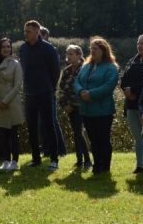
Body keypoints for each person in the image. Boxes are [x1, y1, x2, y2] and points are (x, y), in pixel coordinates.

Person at [19, 20, 61, 170]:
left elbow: (55, 71)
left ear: (37, 32)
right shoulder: (23, 48)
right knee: (31, 127)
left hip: (44, 92)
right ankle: (35, 158)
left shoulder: (48, 48)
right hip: (29, 93)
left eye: (28, 31)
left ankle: (54, 159)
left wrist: (51, 88)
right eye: (25, 31)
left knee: (49, 125)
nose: (26, 34)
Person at [74, 38, 119, 176]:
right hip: (86, 110)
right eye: (91, 49)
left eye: (96, 49)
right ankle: (96, 164)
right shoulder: (86, 66)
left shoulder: (111, 67)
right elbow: (76, 80)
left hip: (103, 110)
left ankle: (104, 166)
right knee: (93, 139)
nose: (93, 51)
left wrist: (91, 94)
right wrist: (81, 91)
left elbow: (108, 86)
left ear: (104, 51)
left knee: (103, 139)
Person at [119, 34, 143, 174]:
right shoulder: (132, 61)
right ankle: (140, 166)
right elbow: (123, 78)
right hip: (131, 104)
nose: (139, 46)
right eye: (138, 43)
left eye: (142, 43)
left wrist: (133, 89)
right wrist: (125, 90)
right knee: (138, 137)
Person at [0, 38, 24, 172]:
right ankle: (6, 160)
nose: (6, 49)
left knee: (13, 134)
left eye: (8, 47)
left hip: (12, 102)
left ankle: (15, 161)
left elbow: (17, 85)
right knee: (3, 134)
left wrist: (5, 101)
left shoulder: (15, 64)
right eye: (3, 47)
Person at [59, 45, 92, 170]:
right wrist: (64, 105)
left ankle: (87, 159)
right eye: (67, 54)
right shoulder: (66, 70)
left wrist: (73, 104)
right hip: (69, 107)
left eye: (71, 54)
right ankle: (79, 160)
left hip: (81, 106)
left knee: (78, 132)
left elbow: (87, 88)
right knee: (75, 132)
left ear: (79, 55)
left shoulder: (86, 69)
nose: (68, 56)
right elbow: (61, 89)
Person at [39, 27, 67, 158]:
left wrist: (51, 87)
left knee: (52, 120)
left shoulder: (51, 50)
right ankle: (47, 150)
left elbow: (55, 71)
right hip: (38, 91)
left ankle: (60, 149)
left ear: (45, 36)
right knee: (41, 122)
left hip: (49, 90)